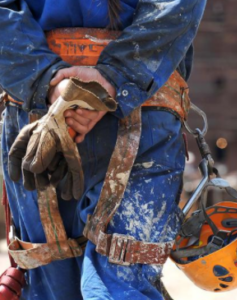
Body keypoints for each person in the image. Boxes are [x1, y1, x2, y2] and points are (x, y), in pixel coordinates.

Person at [0, 0, 207, 299]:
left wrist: (51, 84)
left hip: (40, 111)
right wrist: (112, 79)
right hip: (139, 108)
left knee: (51, 281)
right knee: (122, 279)